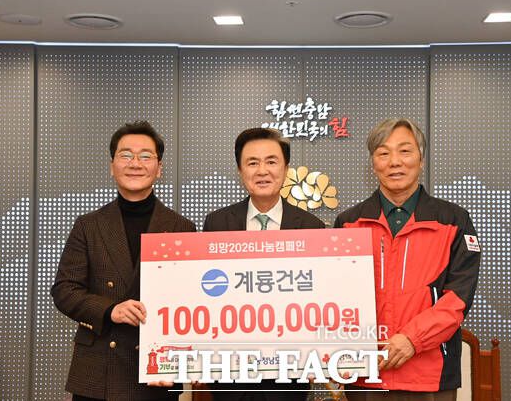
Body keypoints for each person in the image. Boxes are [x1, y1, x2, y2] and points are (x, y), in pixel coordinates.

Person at [334, 118, 481, 401]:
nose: (395, 162)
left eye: (405, 151)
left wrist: (413, 339)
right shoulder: (349, 223)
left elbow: (458, 299)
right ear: (373, 163)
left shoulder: (453, 221)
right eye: (383, 153)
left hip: (430, 374)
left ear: (421, 160)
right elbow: (337, 298)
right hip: (366, 374)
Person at [52, 121, 196, 401]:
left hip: (157, 370)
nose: (135, 163)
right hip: (98, 372)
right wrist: (110, 310)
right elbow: (64, 290)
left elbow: (191, 301)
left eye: (145, 156)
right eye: (126, 155)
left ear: (159, 168)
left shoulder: (182, 228)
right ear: (112, 166)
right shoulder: (88, 225)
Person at [203, 127, 326, 401]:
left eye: (271, 161)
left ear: (286, 169)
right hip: (229, 373)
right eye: (252, 163)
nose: (262, 171)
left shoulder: (311, 228)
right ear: (240, 170)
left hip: (289, 373)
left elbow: (320, 298)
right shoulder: (217, 223)